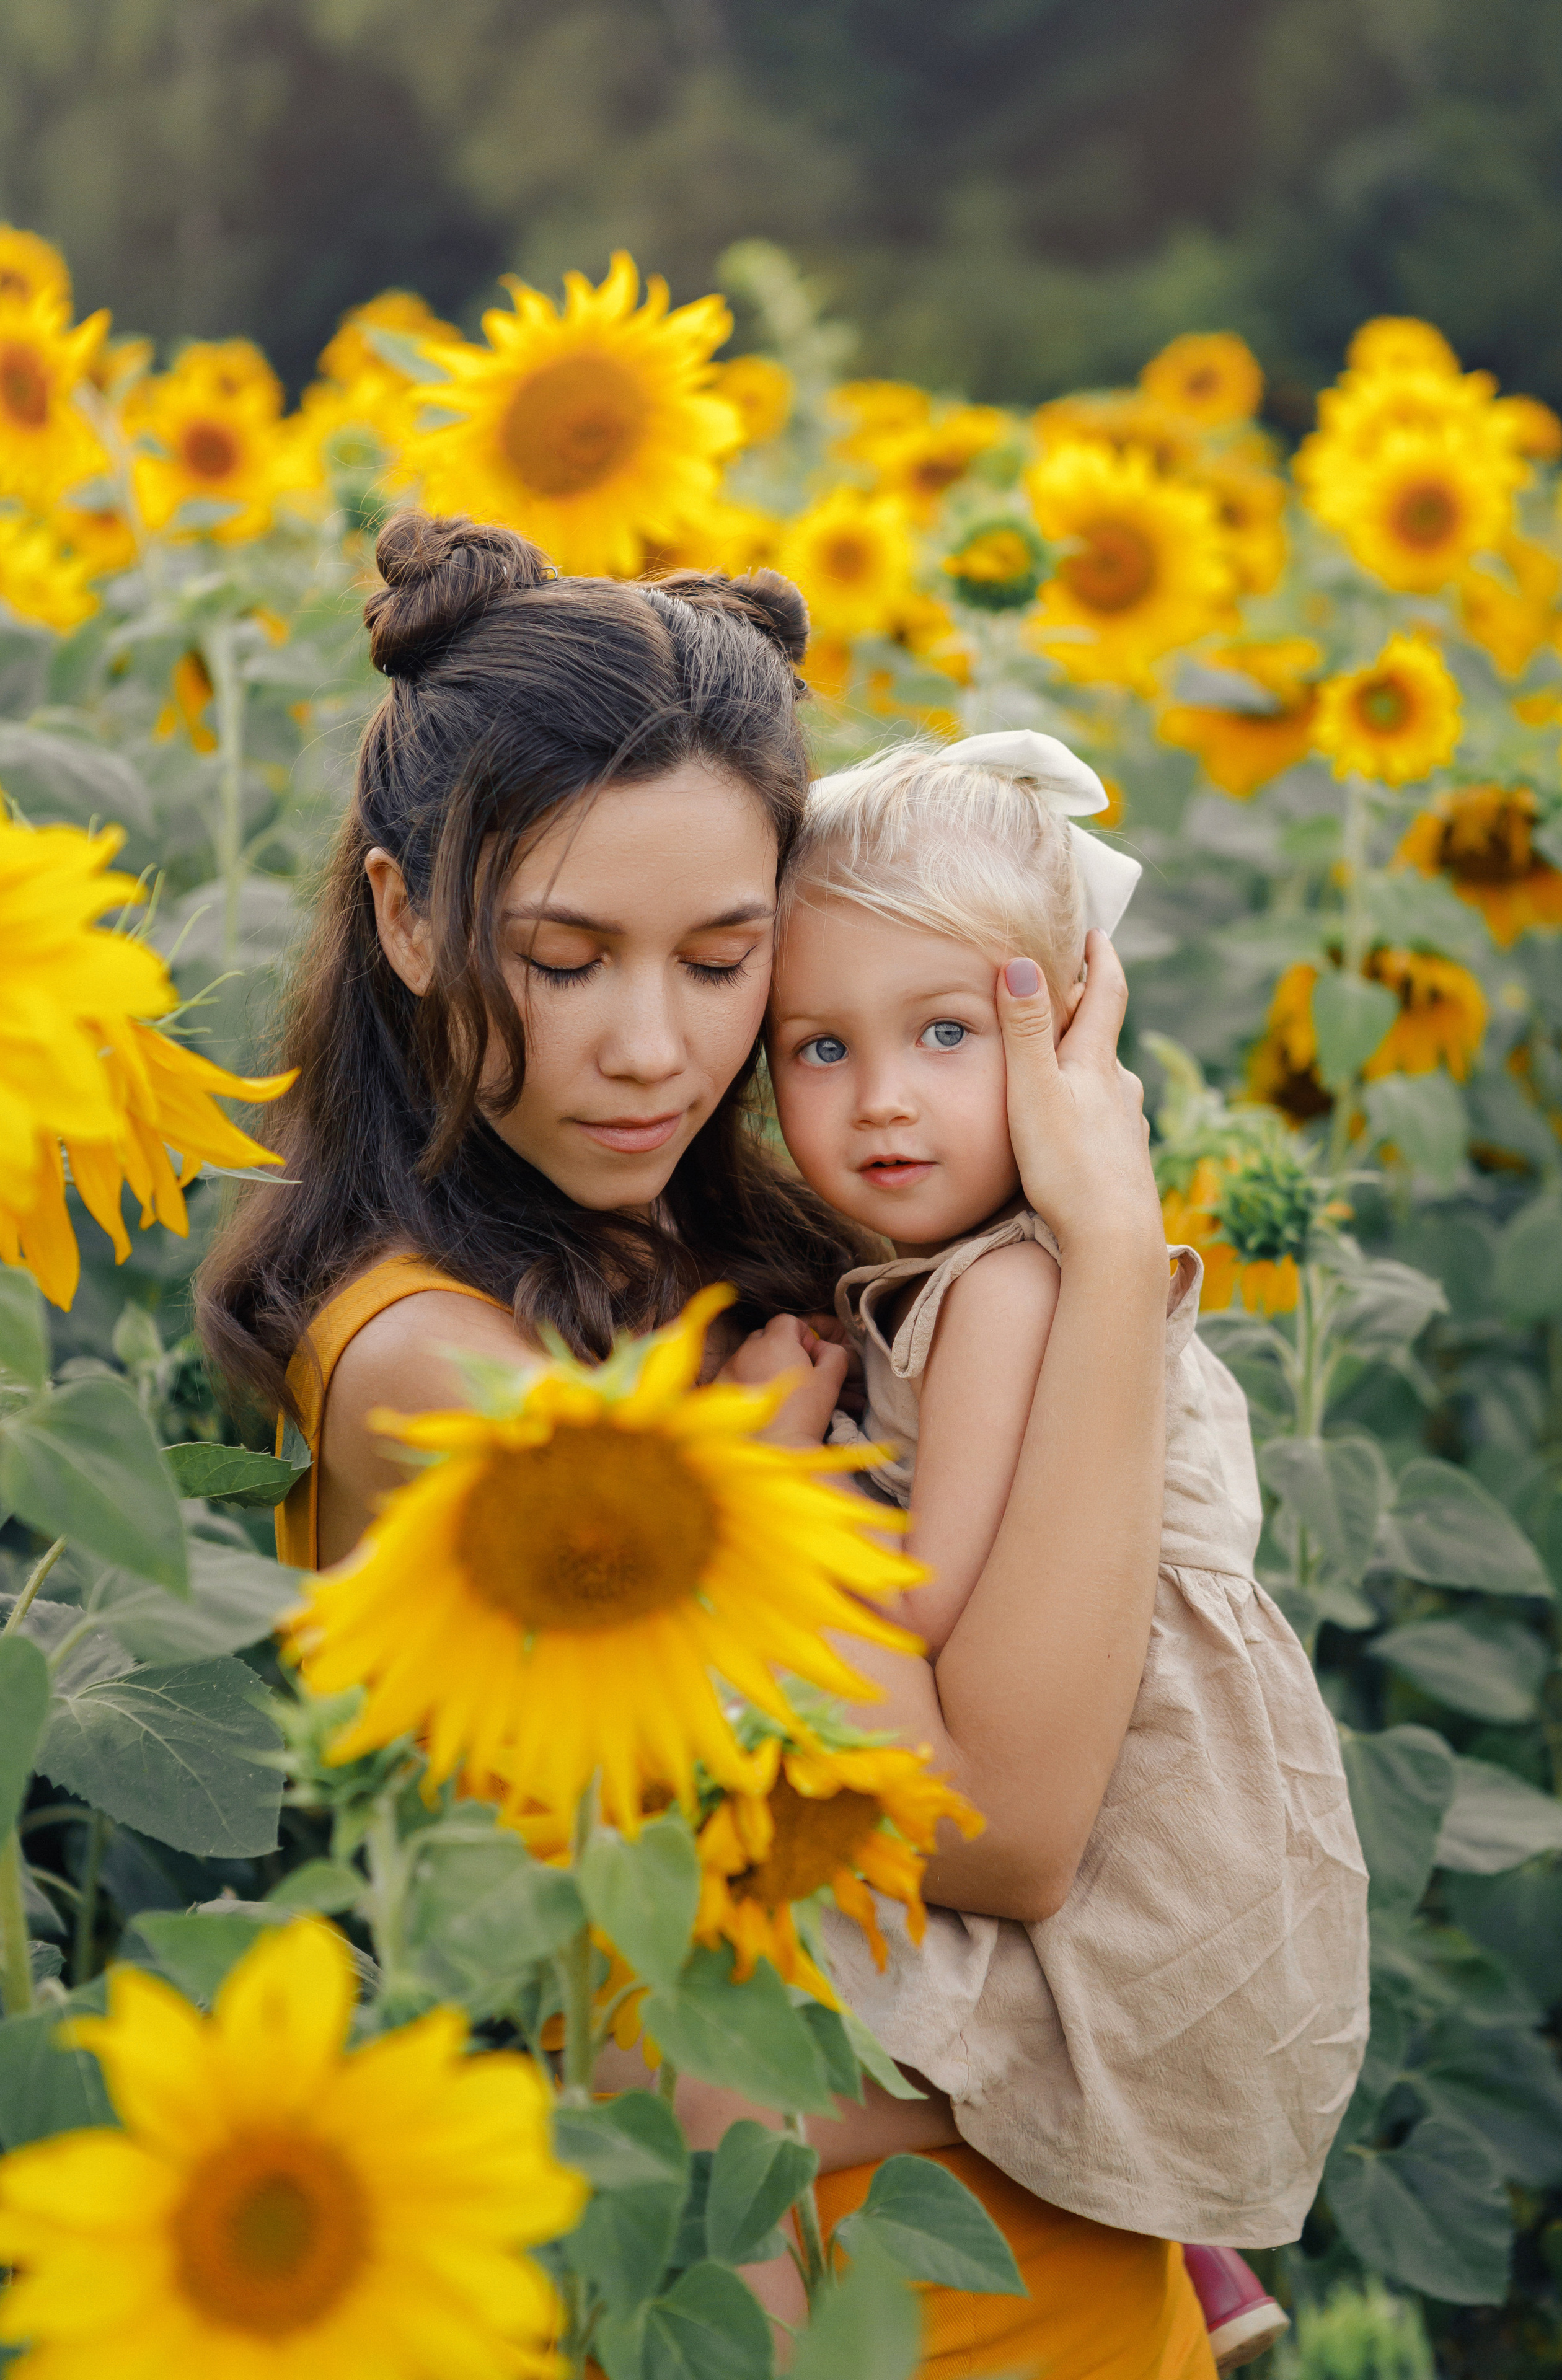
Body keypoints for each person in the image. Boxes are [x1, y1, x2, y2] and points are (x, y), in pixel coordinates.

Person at [198, 511, 1216, 2376]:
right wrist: (1103, 1253)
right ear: (410, 922)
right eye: (565, 961)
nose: (654, 1050)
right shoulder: (435, 1368)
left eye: (725, 960)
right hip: (790, 2312)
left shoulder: (754, 1249)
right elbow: (999, 1827)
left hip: (1059, 2276)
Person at [751, 730, 1370, 2369]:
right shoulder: (947, 1272)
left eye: (947, 1033)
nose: (882, 1097)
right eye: (820, 1049)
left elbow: (929, 1604)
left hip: (1102, 1805)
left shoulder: (1009, 1292)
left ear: (1063, 1033)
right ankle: (1203, 2279)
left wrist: (762, 1481)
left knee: (754, 2067)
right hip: (1107, 1774)